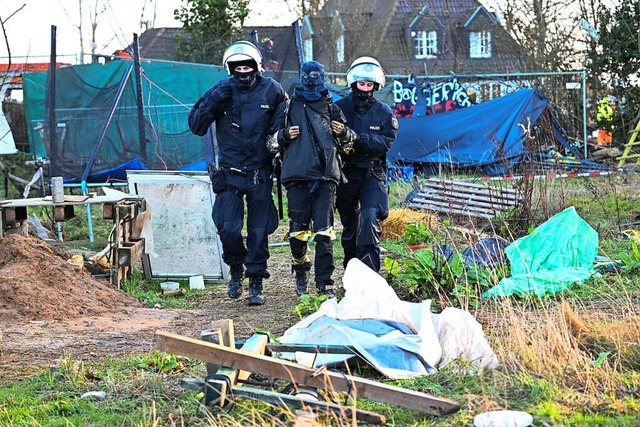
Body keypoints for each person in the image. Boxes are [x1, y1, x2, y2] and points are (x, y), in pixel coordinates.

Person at [188, 41, 288, 306]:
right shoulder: (221, 90)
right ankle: (235, 268)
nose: (243, 71)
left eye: (247, 66)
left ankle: (255, 280)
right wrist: (215, 101)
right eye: (238, 67)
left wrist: (278, 145)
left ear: (256, 66)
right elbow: (196, 125)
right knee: (228, 228)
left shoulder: (272, 90)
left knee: (259, 230)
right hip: (230, 172)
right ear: (230, 68)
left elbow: (284, 123)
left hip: (260, 171)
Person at [267, 60, 355, 298]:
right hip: (296, 178)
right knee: (298, 233)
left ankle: (324, 284)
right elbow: (270, 143)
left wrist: (345, 133)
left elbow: (348, 146)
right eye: (309, 76)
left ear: (323, 77)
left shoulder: (332, 108)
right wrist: (283, 136)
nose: (312, 80)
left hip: (327, 178)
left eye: (317, 75)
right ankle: (301, 268)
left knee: (325, 232)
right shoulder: (287, 107)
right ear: (302, 77)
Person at [335, 57, 398, 273]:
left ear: (375, 86)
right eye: (361, 84)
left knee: (370, 218)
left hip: (372, 173)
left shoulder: (384, 112)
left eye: (369, 85)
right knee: (350, 227)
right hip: (345, 174)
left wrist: (355, 137)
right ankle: (352, 272)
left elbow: (385, 143)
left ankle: (370, 273)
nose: (364, 88)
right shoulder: (338, 109)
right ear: (354, 84)